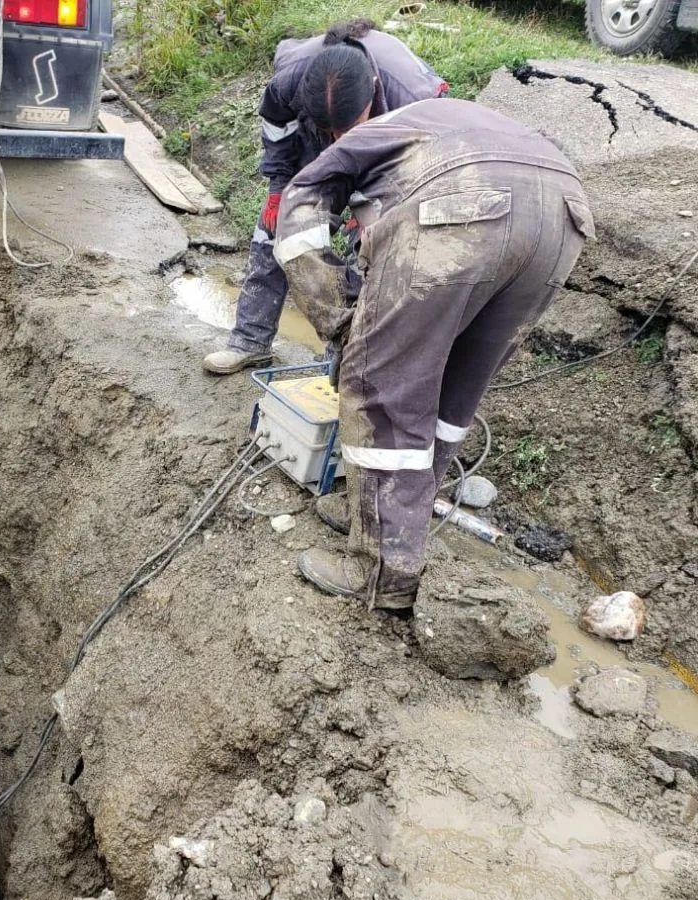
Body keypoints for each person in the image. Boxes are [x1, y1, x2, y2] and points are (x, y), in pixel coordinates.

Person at [273, 93, 593, 610]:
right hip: (564, 216)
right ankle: (390, 518)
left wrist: (338, 317)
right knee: (457, 380)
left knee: (380, 390)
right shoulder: (435, 123)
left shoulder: (357, 146)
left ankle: (383, 571)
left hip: (461, 207)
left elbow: (299, 210)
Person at [202, 18, 448, 376]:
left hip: (386, 158)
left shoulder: (412, 95)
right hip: (310, 148)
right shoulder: (293, 76)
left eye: (347, 127)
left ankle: (345, 357)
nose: (340, 138)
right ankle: (249, 342)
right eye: (332, 129)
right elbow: (276, 125)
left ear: (373, 90)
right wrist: (278, 188)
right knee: (279, 229)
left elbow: (421, 164)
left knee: (374, 251)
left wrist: (376, 207)